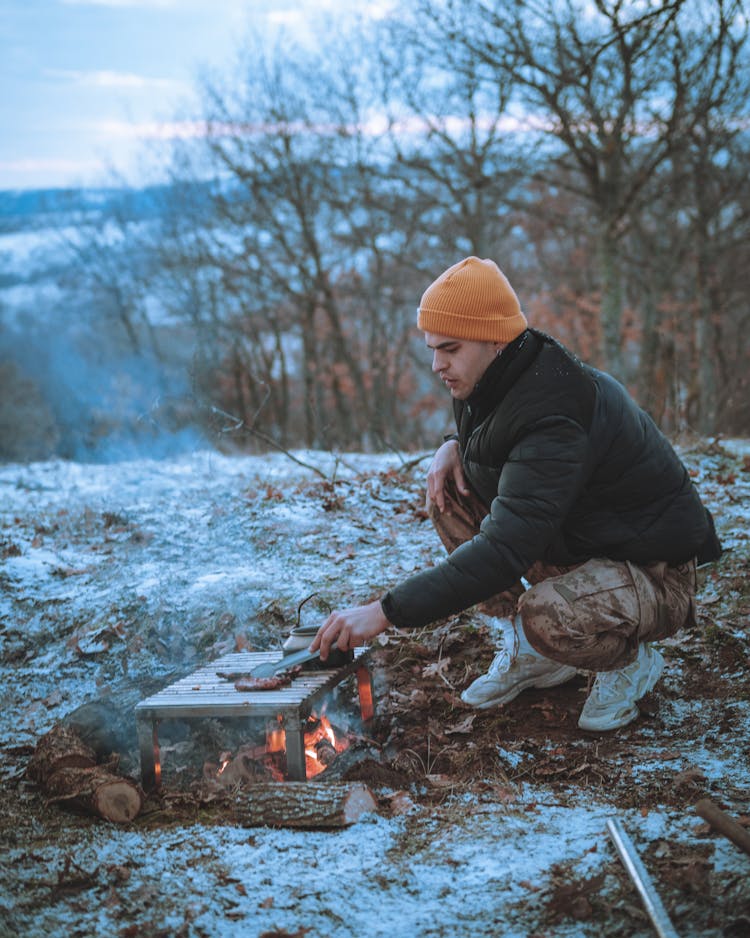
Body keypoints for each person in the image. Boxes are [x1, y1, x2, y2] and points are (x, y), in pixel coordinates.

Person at [310, 256, 721, 731]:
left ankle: (628, 662)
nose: (435, 364)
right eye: (432, 348)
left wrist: (386, 611)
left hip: (654, 573)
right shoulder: (493, 377)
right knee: (449, 495)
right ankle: (533, 654)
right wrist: (453, 445)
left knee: (545, 614)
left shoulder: (555, 413)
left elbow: (505, 549)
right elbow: (502, 443)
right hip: (582, 544)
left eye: (449, 348)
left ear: (494, 339)